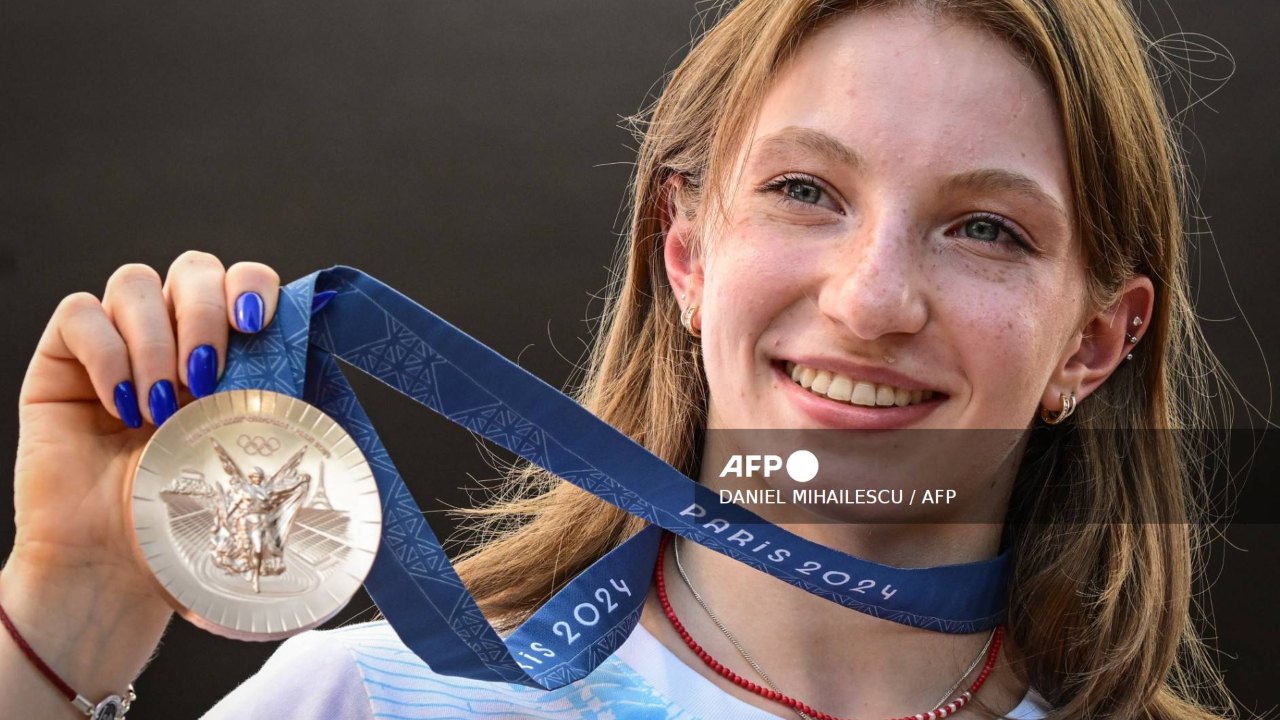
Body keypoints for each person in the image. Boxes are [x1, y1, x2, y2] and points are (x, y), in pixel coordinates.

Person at [0, 0, 1240, 717]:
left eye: (985, 228)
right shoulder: (363, 704)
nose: (870, 302)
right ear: (685, 257)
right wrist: (69, 617)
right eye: (806, 189)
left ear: (1090, 342)